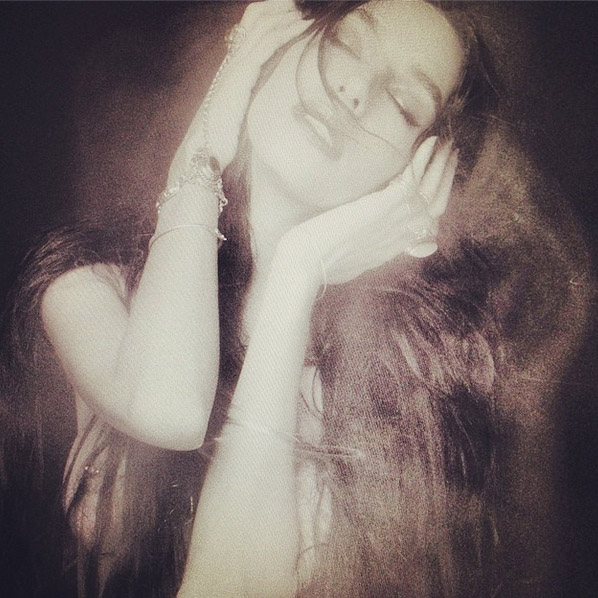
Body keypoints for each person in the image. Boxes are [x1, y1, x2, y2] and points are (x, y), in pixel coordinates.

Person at [0, 1, 592, 597]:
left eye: (404, 103)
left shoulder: (395, 386)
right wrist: (203, 149)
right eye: (346, 45)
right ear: (274, 45)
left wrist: (297, 272)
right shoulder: (92, 279)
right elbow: (168, 409)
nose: (357, 90)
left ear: (422, 174)